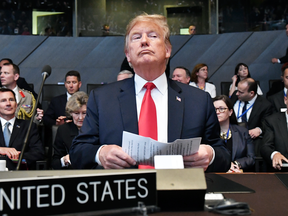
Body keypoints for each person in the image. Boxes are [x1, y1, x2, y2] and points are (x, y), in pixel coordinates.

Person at [70, 13, 230, 172]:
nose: (144, 41)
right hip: (124, 193)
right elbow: (78, 151)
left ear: (167, 50)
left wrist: (210, 154)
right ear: (128, 55)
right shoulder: (102, 99)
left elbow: (223, 155)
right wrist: (100, 153)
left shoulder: (199, 100)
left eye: (153, 36)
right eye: (136, 37)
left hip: (179, 193)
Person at [0, 88, 44, 169]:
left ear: (16, 104)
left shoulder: (29, 126)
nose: (8, 103)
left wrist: (17, 156)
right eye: (3, 101)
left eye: (11, 100)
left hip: (20, 172)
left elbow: (38, 152)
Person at [230, 78, 273, 156]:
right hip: (232, 137)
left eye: (241, 92)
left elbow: (267, 124)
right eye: (237, 90)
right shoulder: (235, 96)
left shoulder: (265, 105)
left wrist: (259, 129)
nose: (237, 93)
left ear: (251, 93)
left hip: (251, 140)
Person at [213, 95, 255, 172]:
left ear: (230, 112)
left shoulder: (243, 132)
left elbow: (250, 158)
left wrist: (235, 165)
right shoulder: (207, 133)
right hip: (215, 173)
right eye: (214, 109)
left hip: (237, 173)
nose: (217, 112)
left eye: (221, 109)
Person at [51, 91, 88, 169]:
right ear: (71, 113)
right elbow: (54, 162)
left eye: (84, 113)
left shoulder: (96, 129)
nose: (81, 118)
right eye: (76, 113)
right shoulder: (63, 130)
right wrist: (64, 160)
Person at [261, 90, 288, 171]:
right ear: (285, 100)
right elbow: (265, 146)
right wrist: (275, 154)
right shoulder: (272, 121)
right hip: (283, 172)